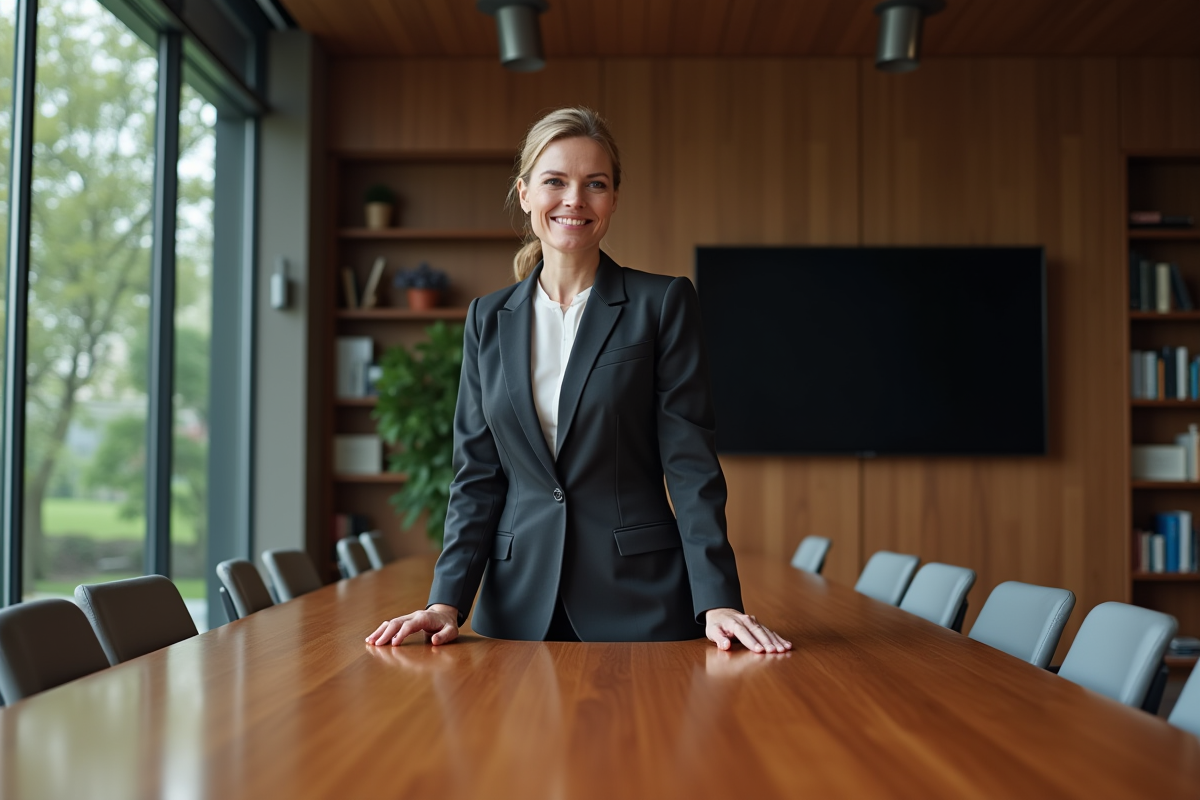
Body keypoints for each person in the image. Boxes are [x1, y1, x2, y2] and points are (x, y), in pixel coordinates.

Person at [366, 107, 790, 653]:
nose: (575, 199)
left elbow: (689, 463)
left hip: (640, 600)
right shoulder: (486, 319)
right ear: (524, 194)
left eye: (595, 184)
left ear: (613, 199)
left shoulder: (661, 304)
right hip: (515, 609)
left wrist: (718, 600)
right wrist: (444, 602)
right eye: (555, 181)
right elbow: (477, 475)